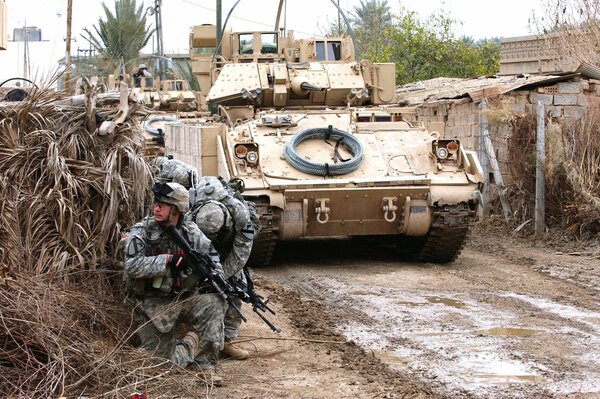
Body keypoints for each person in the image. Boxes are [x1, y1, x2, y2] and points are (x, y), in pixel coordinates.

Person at [123, 181, 227, 383]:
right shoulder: (142, 231)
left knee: (215, 302)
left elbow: (212, 258)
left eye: (163, 205)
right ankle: (189, 344)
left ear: (177, 209)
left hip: (181, 300)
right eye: (156, 204)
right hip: (150, 305)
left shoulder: (191, 232)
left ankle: (205, 367)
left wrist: (214, 276)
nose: (156, 208)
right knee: (161, 368)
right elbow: (132, 266)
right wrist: (169, 260)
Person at [189, 176, 259, 360]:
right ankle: (195, 336)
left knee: (234, 288)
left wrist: (222, 276)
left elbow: (241, 253)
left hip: (231, 244)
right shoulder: (189, 213)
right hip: (201, 243)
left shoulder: (240, 215)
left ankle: (227, 341)